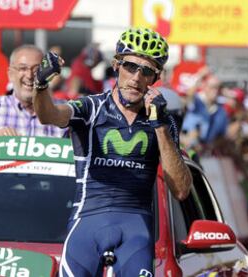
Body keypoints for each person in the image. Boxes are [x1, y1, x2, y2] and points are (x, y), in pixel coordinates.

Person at [33, 28, 192, 276]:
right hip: (87, 220)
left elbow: (181, 190)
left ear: (155, 78)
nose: (136, 78)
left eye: (146, 71)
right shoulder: (91, 107)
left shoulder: (163, 121)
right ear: (116, 65)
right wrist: (41, 85)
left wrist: (159, 126)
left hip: (135, 228)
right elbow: (49, 115)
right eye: (130, 66)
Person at [0, 45, 65, 137]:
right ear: (10, 74)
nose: (29, 76)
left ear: (46, 73)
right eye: (22, 69)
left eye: (37, 70)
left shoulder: (62, 109)